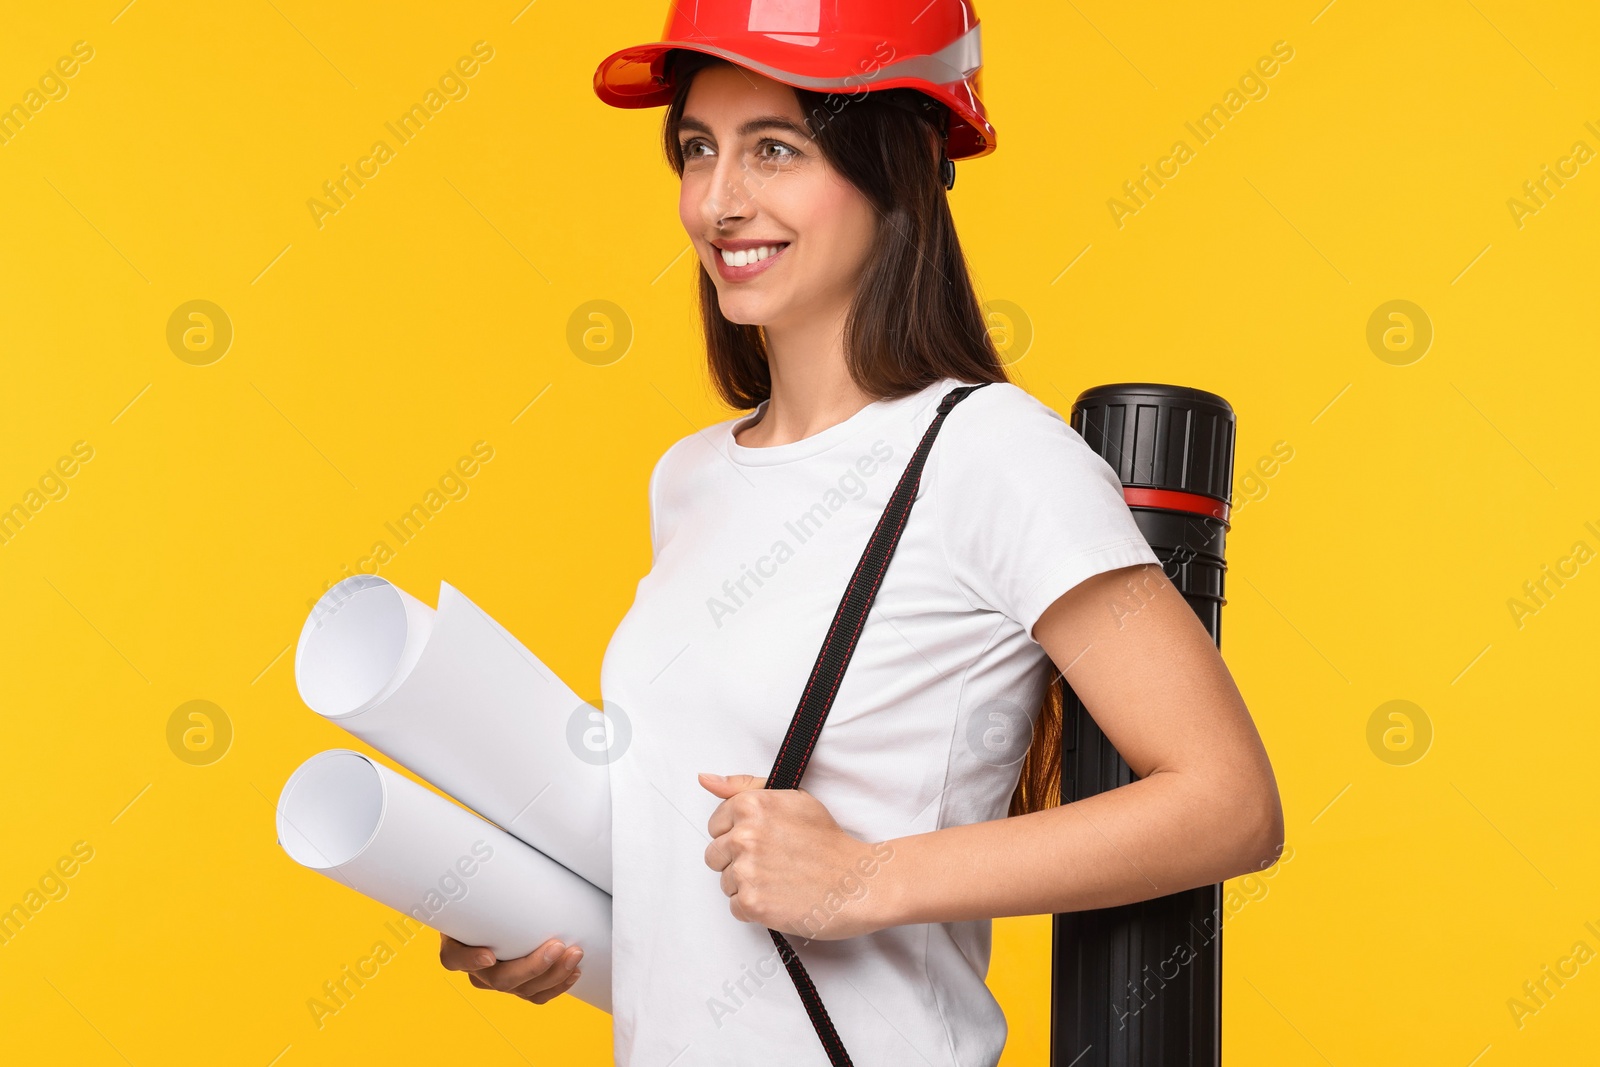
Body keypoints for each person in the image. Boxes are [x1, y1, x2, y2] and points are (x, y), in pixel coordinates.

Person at [441, 3, 1284, 1064]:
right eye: (697, 149)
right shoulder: (691, 477)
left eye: (776, 149)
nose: (718, 201)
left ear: (892, 166)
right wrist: (539, 916)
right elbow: (709, 886)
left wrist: (866, 876)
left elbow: (1229, 802)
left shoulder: (987, 454)